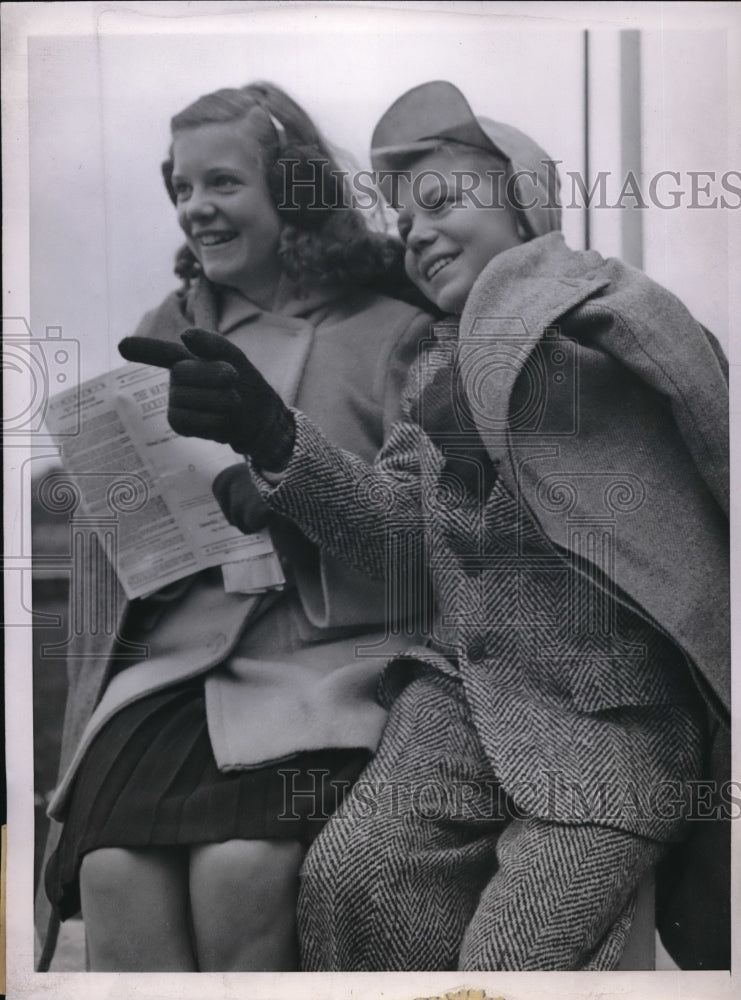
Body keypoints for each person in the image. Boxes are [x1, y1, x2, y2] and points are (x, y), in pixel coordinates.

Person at [120, 81, 729, 971]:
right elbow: (396, 540)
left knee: (509, 966)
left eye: (441, 204)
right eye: (403, 226)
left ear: (523, 201)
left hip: (609, 728)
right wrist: (273, 438)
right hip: (458, 709)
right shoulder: (432, 369)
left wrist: (500, 371)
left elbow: (707, 427)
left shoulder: (614, 317)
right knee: (347, 882)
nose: (417, 234)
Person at [35, 80, 435, 972]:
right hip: (177, 667)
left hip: (329, 663)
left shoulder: (396, 334)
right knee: (110, 875)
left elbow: (424, 544)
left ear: (291, 191)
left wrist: (286, 488)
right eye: (180, 188)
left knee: (241, 869)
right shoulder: (159, 332)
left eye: (221, 184)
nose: (194, 210)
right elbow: (121, 553)